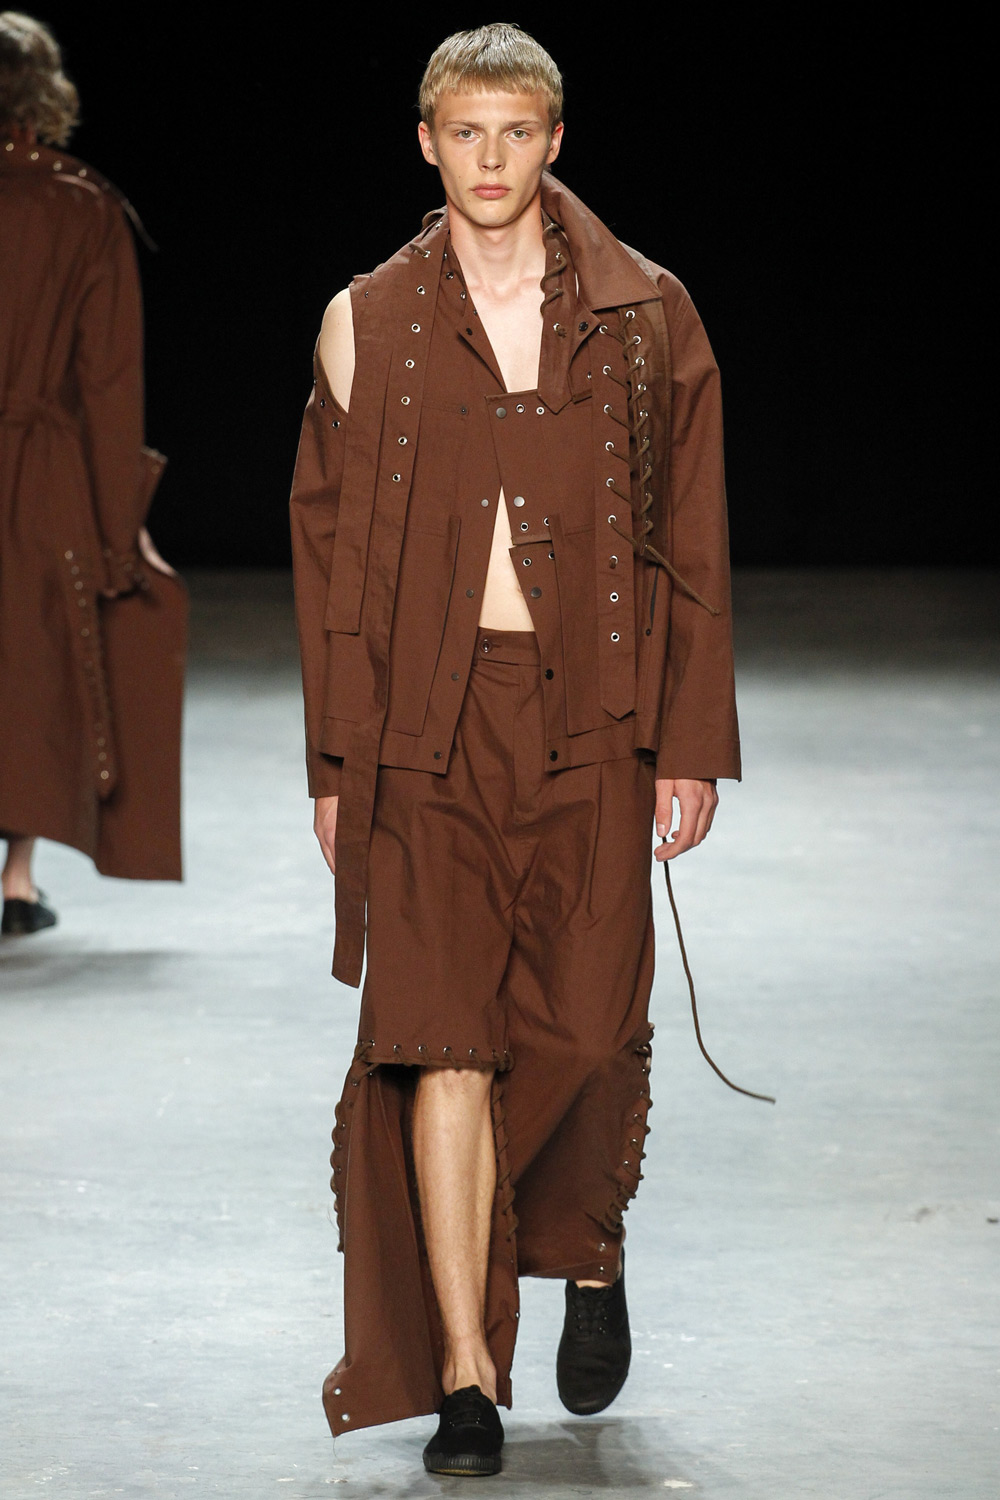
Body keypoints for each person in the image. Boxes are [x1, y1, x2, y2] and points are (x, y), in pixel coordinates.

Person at [289, 23, 741, 1476]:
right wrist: (334, 763)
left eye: (517, 132)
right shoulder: (366, 319)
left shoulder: (645, 312)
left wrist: (690, 742)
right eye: (465, 133)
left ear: (555, 141)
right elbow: (327, 556)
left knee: (587, 1030)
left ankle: (585, 1246)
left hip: (594, 717)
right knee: (440, 1042)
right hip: (423, 729)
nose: (491, 160)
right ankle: (467, 1373)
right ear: (427, 142)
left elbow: (693, 542)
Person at [0, 11, 185, 935]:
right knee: (28, 664)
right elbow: (108, 384)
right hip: (41, 474)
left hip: (36, 455)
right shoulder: (83, 207)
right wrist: (120, 534)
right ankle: (16, 879)